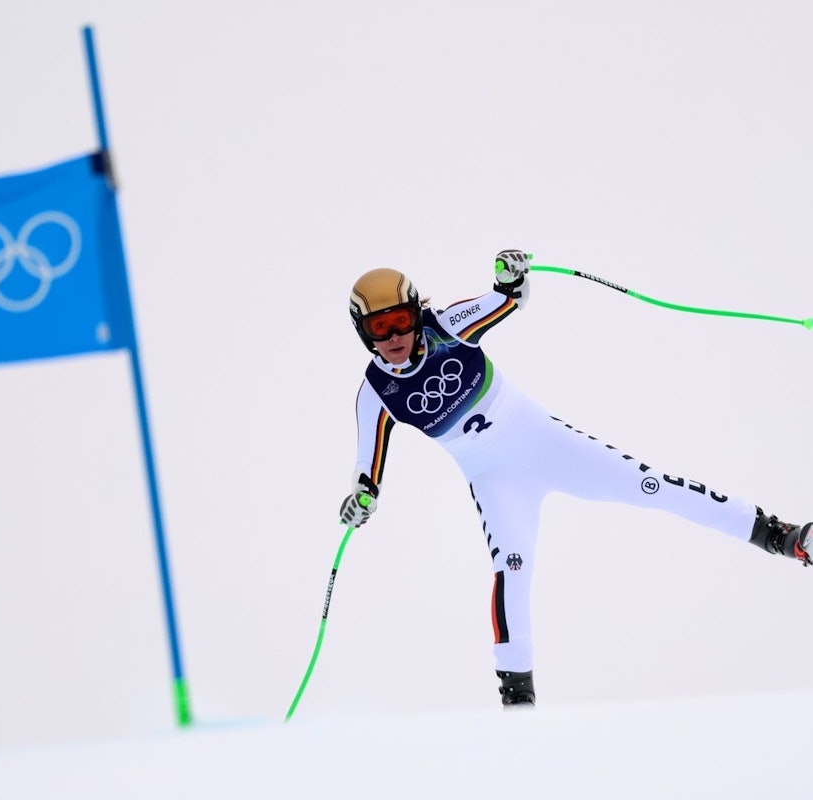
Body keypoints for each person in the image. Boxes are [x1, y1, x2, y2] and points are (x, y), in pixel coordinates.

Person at [340, 251, 811, 708]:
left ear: (416, 312)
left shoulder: (447, 326)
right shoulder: (376, 390)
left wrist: (511, 273)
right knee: (513, 568)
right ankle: (517, 699)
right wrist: (363, 496)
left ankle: (782, 536)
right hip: (494, 479)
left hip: (547, 445)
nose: (394, 335)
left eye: (400, 319)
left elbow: (507, 298)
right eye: (379, 327)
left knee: (651, 486)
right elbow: (369, 465)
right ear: (364, 334)